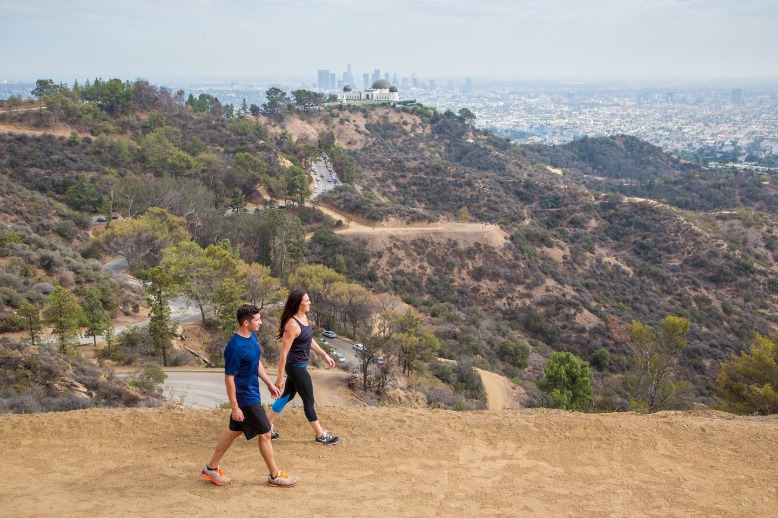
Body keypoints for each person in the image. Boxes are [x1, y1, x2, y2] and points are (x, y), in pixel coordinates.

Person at [200, 304, 298, 488]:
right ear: (246, 322)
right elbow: (229, 379)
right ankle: (275, 476)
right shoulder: (235, 348)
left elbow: (256, 362)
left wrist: (269, 383)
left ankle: (211, 468)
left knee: (233, 432)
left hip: (252, 394)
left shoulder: (251, 338)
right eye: (257, 319)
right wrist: (235, 407)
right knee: (266, 432)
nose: (260, 322)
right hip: (245, 399)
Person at [267, 290, 340, 445]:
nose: (309, 303)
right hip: (295, 368)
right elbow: (283, 354)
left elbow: (309, 339)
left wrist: (324, 355)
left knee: (288, 395)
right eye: (307, 300)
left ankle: (266, 425)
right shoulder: (292, 325)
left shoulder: (304, 318)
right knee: (308, 401)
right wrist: (279, 378)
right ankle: (320, 435)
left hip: (299, 366)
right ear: (298, 303)